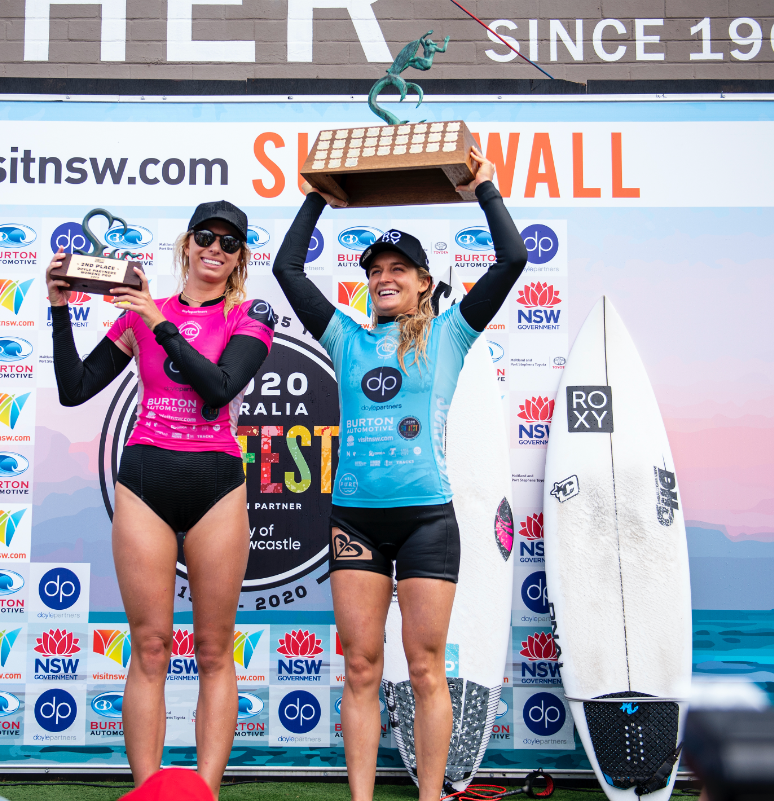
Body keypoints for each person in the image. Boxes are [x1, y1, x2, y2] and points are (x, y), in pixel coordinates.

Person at [271, 148, 528, 801]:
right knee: (361, 668)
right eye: (375, 271)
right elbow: (287, 268)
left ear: (423, 283)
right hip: (355, 521)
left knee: (425, 669)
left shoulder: (451, 334)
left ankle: (430, 798)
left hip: (425, 522)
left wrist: (485, 189)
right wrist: (320, 195)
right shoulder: (345, 339)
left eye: (398, 270)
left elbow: (512, 260)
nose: (384, 278)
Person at [47, 201, 276, 799]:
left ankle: (205, 792)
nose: (215, 248)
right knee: (150, 647)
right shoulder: (142, 314)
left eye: (230, 242)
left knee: (213, 650)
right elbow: (74, 389)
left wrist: (158, 320)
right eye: (206, 236)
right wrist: (59, 309)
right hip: (145, 477)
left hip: (216, 482)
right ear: (188, 243)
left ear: (240, 257)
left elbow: (218, 387)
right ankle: (147, 791)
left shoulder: (249, 314)